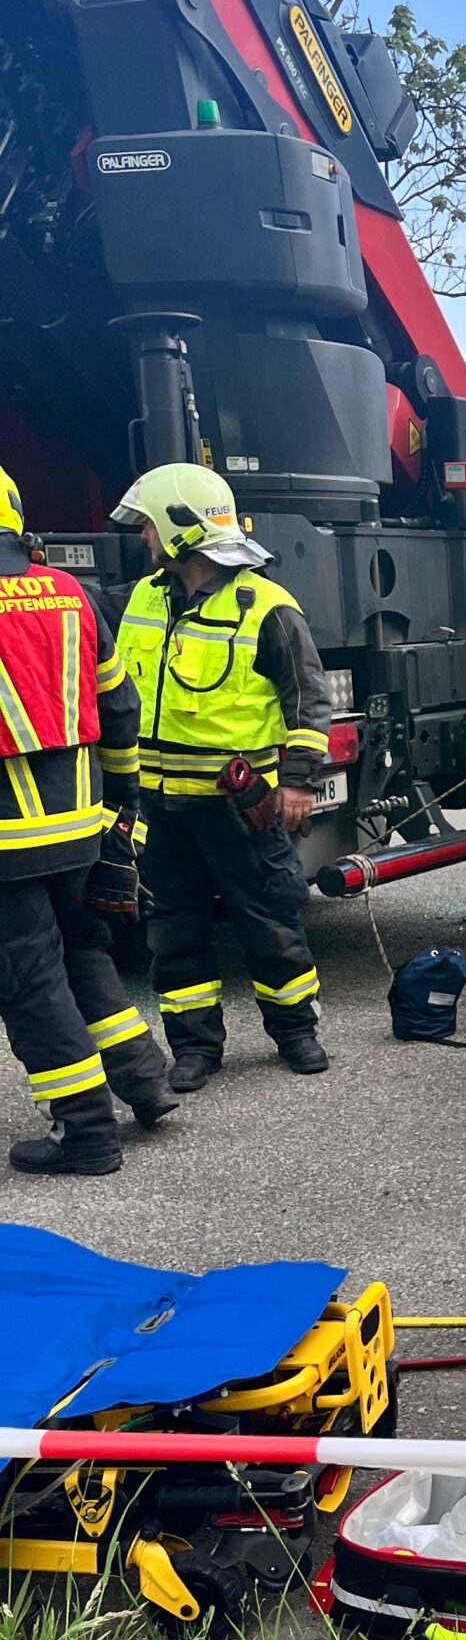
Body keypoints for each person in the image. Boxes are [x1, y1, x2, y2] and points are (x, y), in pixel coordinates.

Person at [112, 466, 333, 1087]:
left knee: (269, 919)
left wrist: (298, 781)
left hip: (238, 805)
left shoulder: (268, 608)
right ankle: (195, 1049)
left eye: (149, 526)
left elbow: (307, 699)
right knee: (173, 929)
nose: (143, 538)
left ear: (180, 529)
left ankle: (296, 1032)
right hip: (159, 805)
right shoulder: (143, 596)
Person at [0, 466, 176, 1173]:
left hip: (7, 839)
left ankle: (86, 1133)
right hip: (81, 824)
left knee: (29, 981)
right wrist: (124, 800)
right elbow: (119, 704)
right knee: (83, 952)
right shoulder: (69, 592)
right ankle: (145, 1081)